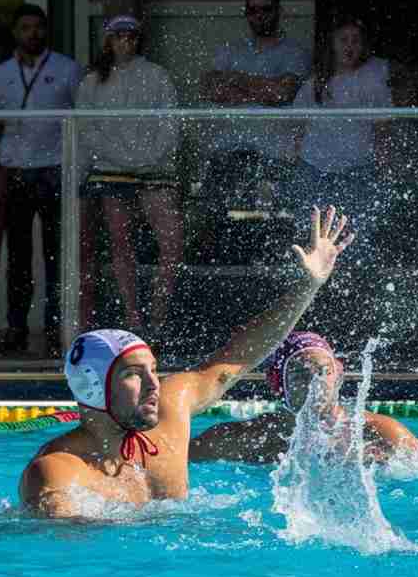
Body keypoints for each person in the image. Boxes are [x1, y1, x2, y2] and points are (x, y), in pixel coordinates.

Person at [18, 207, 354, 518]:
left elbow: (234, 360)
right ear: (94, 387)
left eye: (153, 369)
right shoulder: (58, 471)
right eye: (134, 374)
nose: (154, 384)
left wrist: (307, 288)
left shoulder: (170, 413)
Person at [287, 17, 396, 348]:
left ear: (363, 47)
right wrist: (292, 164)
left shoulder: (373, 83)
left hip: (357, 171)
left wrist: (386, 167)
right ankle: (311, 316)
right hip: (315, 169)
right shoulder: (315, 84)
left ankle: (354, 318)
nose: (349, 46)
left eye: (355, 40)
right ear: (332, 46)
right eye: (342, 40)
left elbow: (382, 130)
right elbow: (298, 127)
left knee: (355, 245)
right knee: (313, 242)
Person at [0, 3, 83, 356]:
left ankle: (56, 330)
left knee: (56, 256)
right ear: (16, 32)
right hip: (16, 170)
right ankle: (16, 329)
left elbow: (81, 118)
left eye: (38, 27)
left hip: (55, 168)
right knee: (18, 257)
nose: (33, 34)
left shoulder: (67, 68)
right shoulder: (2, 73)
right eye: (26, 27)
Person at [74, 15, 182, 336]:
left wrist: (147, 159)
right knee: (122, 244)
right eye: (118, 36)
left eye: (131, 36)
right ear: (107, 40)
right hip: (111, 170)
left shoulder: (157, 76)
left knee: (171, 243)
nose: (125, 42)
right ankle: (134, 316)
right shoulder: (92, 82)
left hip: (153, 170)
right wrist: (116, 160)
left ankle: (159, 315)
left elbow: (170, 124)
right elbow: (85, 129)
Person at [190, 330, 418, 464]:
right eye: (300, 375)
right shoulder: (247, 438)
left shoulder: (377, 431)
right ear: (279, 385)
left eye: (323, 372)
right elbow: (170, 459)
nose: (314, 383)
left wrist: (387, 464)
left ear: (338, 375)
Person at [198, 0, 311, 218]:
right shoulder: (231, 49)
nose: (259, 15)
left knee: (269, 233)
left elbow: (282, 94)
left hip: (275, 157)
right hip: (228, 153)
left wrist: (237, 78)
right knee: (217, 230)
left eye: (266, 9)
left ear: (279, 11)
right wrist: (264, 89)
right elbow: (211, 89)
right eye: (252, 10)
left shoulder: (295, 51)